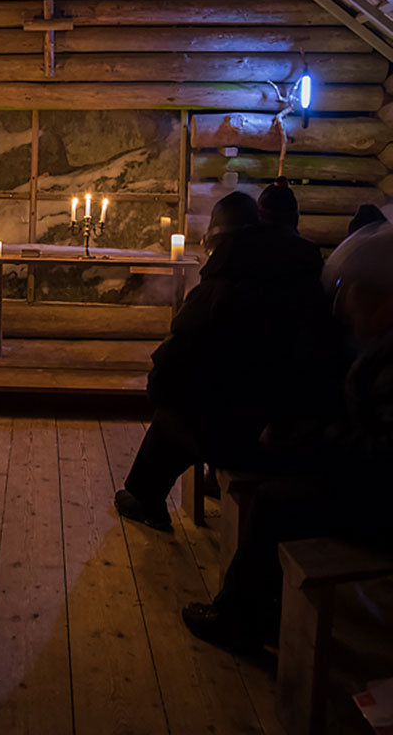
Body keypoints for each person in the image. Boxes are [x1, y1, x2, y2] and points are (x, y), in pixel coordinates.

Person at [182, 224, 393, 650]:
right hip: (368, 480)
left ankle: (240, 620)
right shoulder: (375, 345)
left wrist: (316, 438)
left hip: (383, 505)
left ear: (384, 301)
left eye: (351, 292)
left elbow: (383, 453)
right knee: (268, 465)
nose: (339, 306)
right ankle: (263, 602)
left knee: (274, 503)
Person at [114, 191, 339, 530]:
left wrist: (158, 389)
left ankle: (145, 498)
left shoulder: (227, 281)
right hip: (295, 434)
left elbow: (179, 351)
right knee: (217, 401)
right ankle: (207, 479)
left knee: (176, 414)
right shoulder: (312, 279)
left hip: (248, 440)